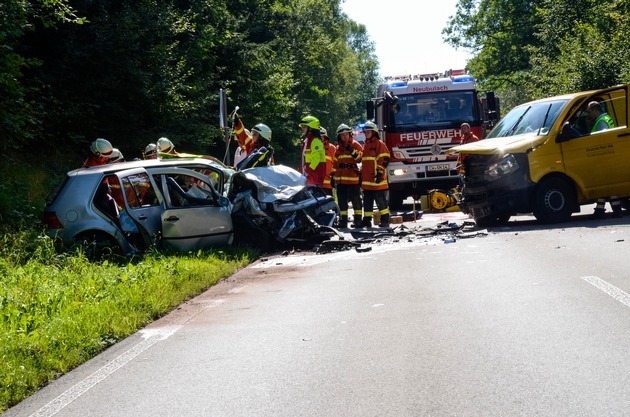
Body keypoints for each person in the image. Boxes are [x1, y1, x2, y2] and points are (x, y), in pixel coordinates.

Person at [360, 121, 391, 228]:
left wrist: (380, 173)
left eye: (369, 131)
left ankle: (385, 220)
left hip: (377, 180)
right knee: (367, 202)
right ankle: (367, 220)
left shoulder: (379, 144)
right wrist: (361, 175)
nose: (366, 133)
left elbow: (384, 159)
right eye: (365, 132)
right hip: (367, 181)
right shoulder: (366, 146)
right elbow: (365, 163)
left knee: (381, 202)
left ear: (374, 132)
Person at [331, 123, 363, 228]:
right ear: (339, 136)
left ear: (350, 134)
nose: (344, 136)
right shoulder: (338, 148)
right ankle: (343, 221)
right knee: (342, 201)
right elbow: (335, 163)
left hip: (353, 179)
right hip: (341, 180)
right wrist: (332, 176)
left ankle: (358, 220)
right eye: (342, 135)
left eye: (346, 134)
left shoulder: (356, 145)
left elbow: (359, 159)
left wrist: (352, 151)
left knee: (356, 199)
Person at [299, 115, 326, 186]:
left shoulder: (315, 141)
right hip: (308, 176)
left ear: (311, 128)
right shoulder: (307, 141)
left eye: (304, 127)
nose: (302, 129)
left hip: (313, 176)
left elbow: (316, 159)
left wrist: (308, 171)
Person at [320, 128, 336, 196]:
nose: (319, 138)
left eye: (321, 136)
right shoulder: (313, 147)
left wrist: (333, 177)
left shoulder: (331, 148)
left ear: (325, 137)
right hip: (316, 183)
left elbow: (336, 163)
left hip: (328, 183)